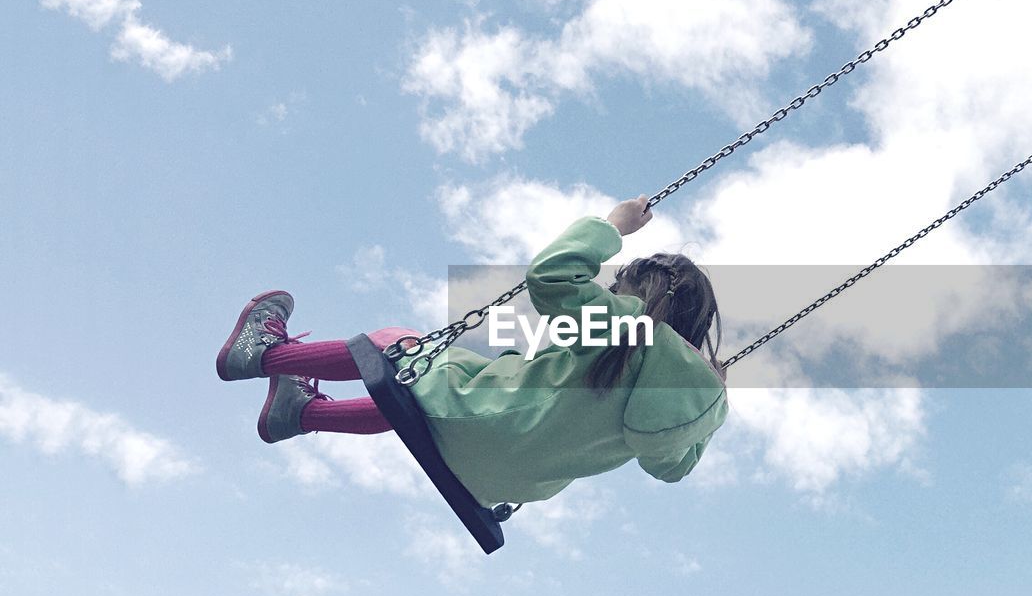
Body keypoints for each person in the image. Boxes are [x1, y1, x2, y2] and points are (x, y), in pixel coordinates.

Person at [215, 197, 728, 506]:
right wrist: (709, 401)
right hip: (497, 481)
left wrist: (612, 225)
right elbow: (673, 468)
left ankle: (262, 356)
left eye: (620, 284)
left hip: (480, 418)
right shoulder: (691, 397)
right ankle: (301, 414)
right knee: (416, 404)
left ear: (642, 295)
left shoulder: (625, 328)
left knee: (397, 347)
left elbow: (551, 276)